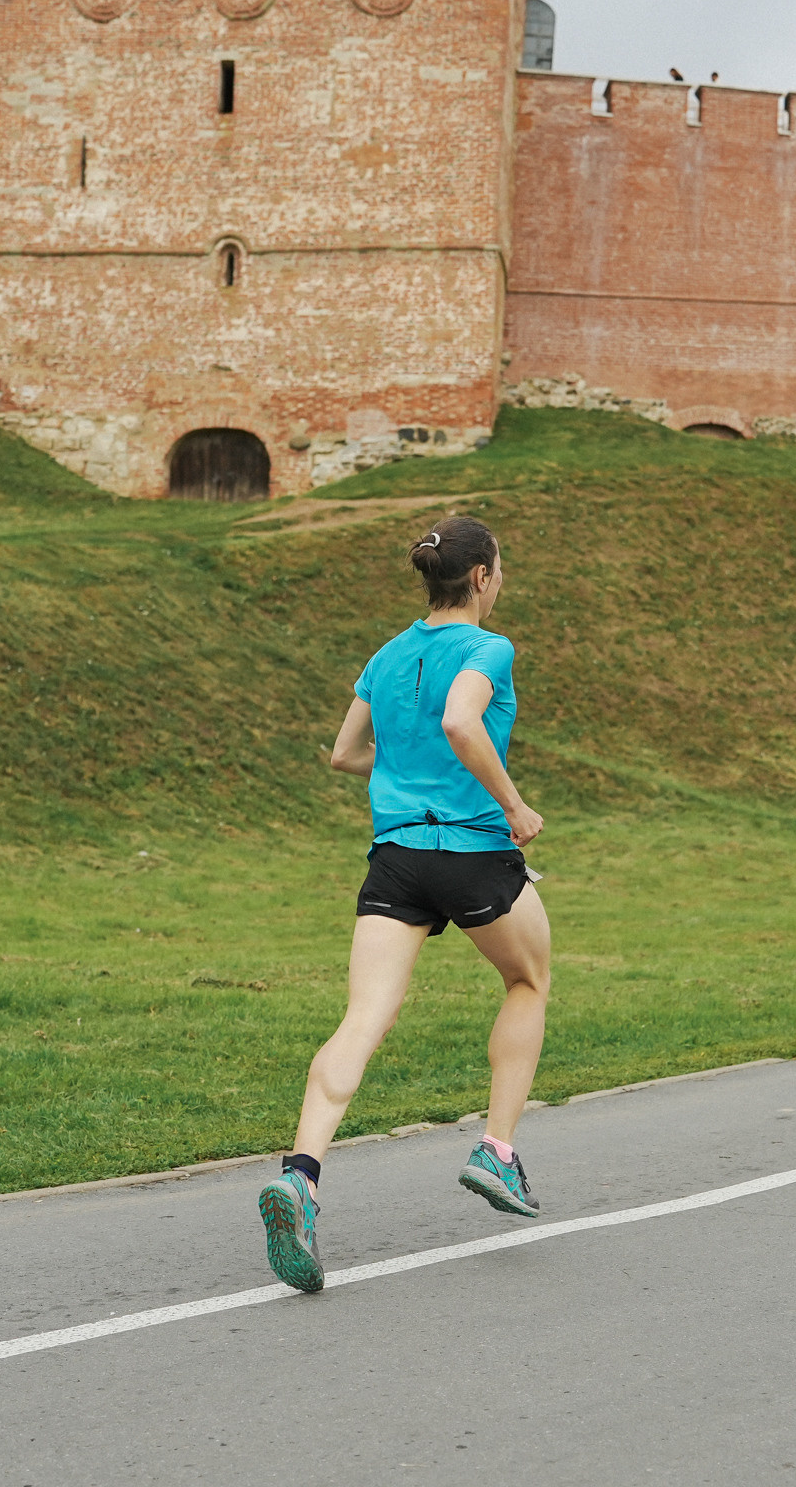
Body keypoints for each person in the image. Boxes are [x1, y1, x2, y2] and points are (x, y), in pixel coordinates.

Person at [256, 516, 552, 1295]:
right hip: (473, 852)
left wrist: (406, 773)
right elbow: (460, 718)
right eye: (502, 567)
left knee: (364, 1016)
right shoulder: (490, 648)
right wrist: (514, 807)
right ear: (482, 576)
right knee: (527, 981)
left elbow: (345, 754)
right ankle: (497, 1150)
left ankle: (302, 1177)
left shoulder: (387, 655)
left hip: (396, 859)